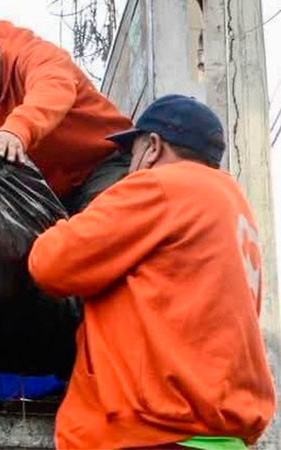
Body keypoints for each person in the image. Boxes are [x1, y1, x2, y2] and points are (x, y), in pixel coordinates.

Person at [28, 95, 276, 449]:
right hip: (222, 431)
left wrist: (57, 225)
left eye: (131, 155)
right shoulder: (234, 207)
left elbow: (51, 264)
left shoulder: (161, 186)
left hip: (152, 430)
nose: (129, 169)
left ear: (153, 147)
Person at [0, 14, 133, 213]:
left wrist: (16, 130)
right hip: (46, 200)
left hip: (105, 164)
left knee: (100, 227)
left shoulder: (34, 54)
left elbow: (52, 88)